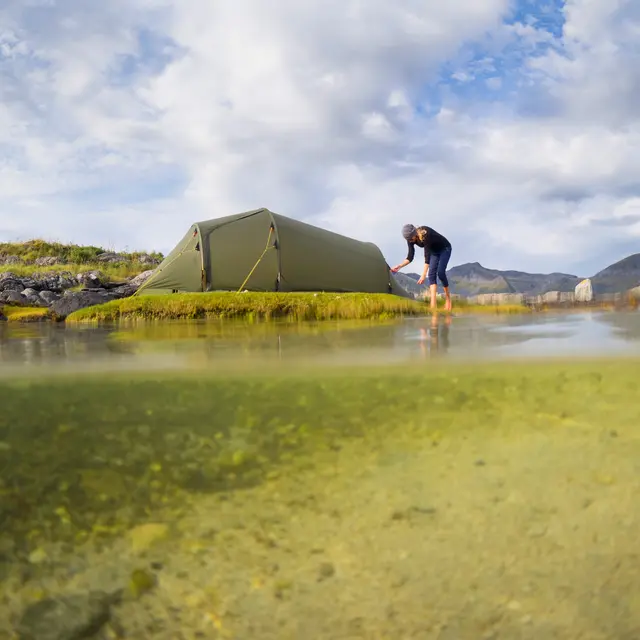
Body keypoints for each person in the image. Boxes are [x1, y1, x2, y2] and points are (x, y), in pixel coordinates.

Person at [391, 223, 453, 311]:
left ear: (415, 234)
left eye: (411, 238)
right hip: (434, 252)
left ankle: (448, 299)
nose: (410, 241)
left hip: (444, 248)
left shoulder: (425, 234)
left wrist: (423, 275)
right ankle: (433, 306)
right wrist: (400, 266)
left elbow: (427, 257)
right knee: (431, 275)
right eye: (408, 240)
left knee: (441, 273)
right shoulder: (410, 240)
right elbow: (410, 256)